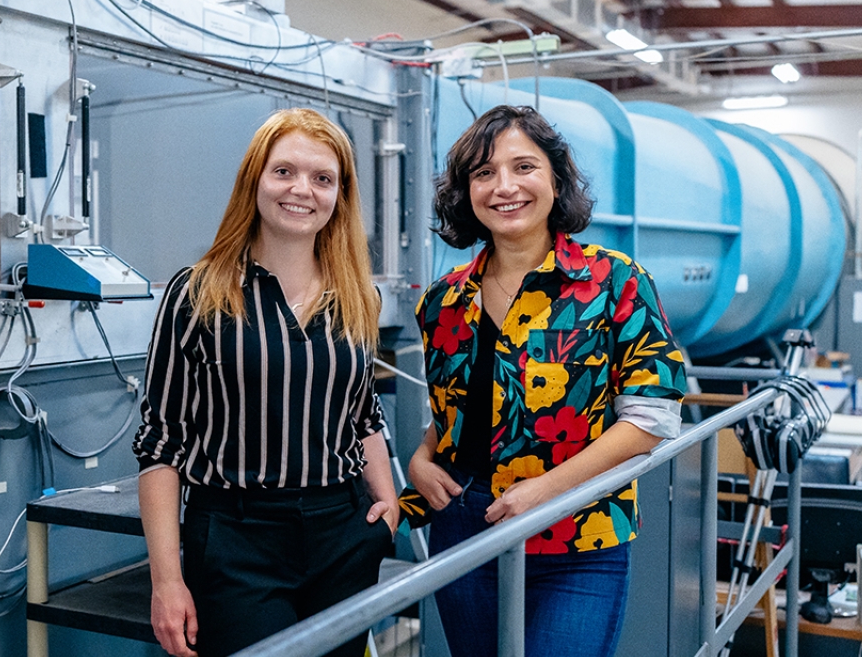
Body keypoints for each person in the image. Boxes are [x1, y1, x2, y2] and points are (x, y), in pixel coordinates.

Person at [400, 105, 688, 657]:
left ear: (556, 178)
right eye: (483, 173)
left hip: (578, 533)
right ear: (467, 192)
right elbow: (456, 413)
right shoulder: (442, 301)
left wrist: (549, 491)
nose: (504, 187)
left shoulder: (614, 281)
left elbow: (652, 418)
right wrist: (420, 459)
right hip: (466, 525)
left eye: (523, 167)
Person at [133, 108, 398, 657]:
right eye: (284, 172)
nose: (302, 190)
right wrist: (166, 580)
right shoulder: (197, 293)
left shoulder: (358, 296)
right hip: (235, 539)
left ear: (339, 196)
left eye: (323, 178)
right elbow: (160, 444)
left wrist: (387, 506)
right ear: (254, 179)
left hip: (342, 533)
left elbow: (363, 414)